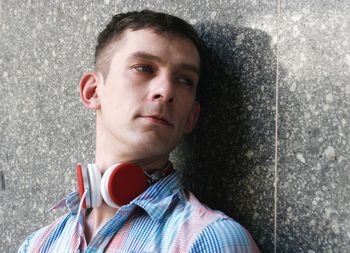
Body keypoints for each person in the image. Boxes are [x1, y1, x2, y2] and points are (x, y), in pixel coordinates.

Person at [18, 9, 260, 252]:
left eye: (184, 80)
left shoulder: (212, 241)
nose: (166, 91)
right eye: (144, 68)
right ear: (92, 91)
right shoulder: (37, 245)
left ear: (191, 117)